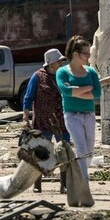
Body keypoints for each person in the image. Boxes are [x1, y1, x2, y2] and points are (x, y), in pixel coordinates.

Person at [56, 36, 103, 183]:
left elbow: (97, 93)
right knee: (81, 148)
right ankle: (83, 181)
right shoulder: (62, 72)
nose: (88, 56)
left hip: (89, 114)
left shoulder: (91, 72)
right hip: (72, 115)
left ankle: (78, 173)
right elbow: (66, 91)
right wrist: (87, 88)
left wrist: (76, 91)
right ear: (75, 54)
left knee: (90, 150)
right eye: (86, 54)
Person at [22, 48, 69, 192]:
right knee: (41, 153)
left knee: (64, 152)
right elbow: (28, 98)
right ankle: (37, 185)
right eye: (58, 61)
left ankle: (64, 185)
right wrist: (25, 118)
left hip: (62, 121)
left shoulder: (63, 75)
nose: (61, 63)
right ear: (50, 63)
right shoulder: (37, 76)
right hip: (42, 122)